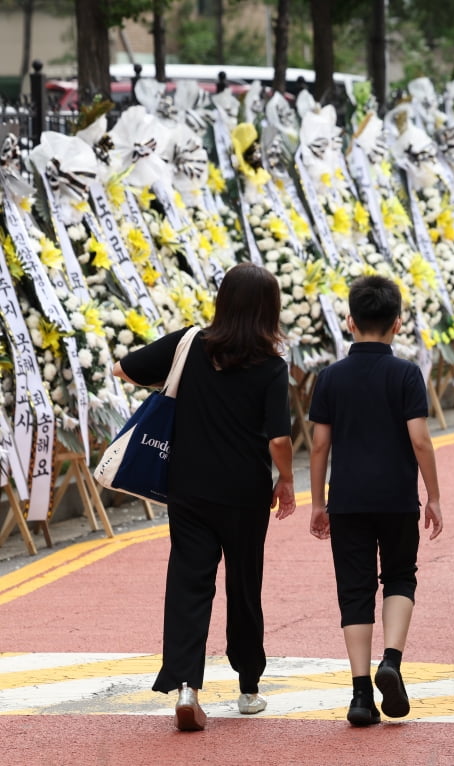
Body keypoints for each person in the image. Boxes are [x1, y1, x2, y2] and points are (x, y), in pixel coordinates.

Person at [114, 262, 296, 731]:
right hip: (244, 493)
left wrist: (180, 390)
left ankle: (186, 687)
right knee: (243, 583)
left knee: (189, 583)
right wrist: (287, 480)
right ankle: (249, 688)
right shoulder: (273, 366)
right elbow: (278, 438)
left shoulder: (190, 343)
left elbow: (123, 369)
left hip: (188, 488)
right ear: (268, 310)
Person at [307, 275, 444, 727]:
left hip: (346, 500)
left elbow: (320, 446)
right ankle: (392, 660)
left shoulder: (329, 378)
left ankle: (360, 695)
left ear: (350, 322)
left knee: (355, 590)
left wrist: (317, 503)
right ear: (397, 324)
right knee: (401, 576)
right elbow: (420, 441)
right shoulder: (406, 374)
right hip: (397, 497)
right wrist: (434, 496)